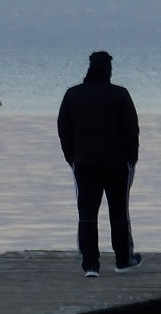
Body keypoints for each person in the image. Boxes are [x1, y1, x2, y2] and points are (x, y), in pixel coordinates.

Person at [57, 50, 141, 276]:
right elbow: (132, 130)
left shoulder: (72, 95)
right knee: (119, 212)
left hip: (84, 164)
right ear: (109, 70)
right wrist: (131, 159)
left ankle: (90, 265)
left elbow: (63, 129)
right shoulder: (120, 94)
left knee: (86, 214)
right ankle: (123, 260)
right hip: (117, 164)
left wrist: (71, 158)